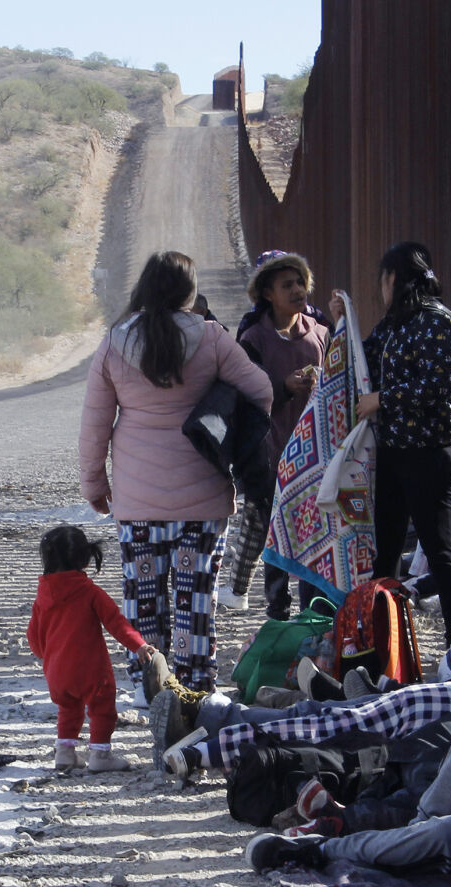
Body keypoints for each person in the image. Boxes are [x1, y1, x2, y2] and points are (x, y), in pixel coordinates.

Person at [80, 251, 273, 695]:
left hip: (138, 500)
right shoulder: (212, 338)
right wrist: (220, 418)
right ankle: (196, 689)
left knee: (144, 601)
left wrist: (95, 484)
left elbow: (94, 425)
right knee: (195, 601)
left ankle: (154, 690)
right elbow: (261, 390)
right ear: (189, 291)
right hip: (203, 499)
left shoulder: (115, 342)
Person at [357, 243, 451, 641]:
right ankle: (383, 643)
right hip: (394, 453)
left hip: (430, 454)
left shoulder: (435, 321)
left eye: (384, 279)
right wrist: (342, 324)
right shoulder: (393, 324)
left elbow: (437, 386)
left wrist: (382, 400)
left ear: (395, 278)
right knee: (385, 554)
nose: (381, 288)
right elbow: (363, 356)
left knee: (439, 549)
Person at [223, 250, 330, 618]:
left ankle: (313, 610)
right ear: (267, 293)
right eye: (288, 285)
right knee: (278, 534)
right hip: (273, 454)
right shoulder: (254, 338)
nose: (298, 290)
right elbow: (244, 388)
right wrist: (282, 386)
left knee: (313, 532)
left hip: (318, 454)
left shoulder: (321, 333)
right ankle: (277, 609)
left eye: (300, 282)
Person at [26, 524, 155, 773]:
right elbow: (116, 623)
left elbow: (34, 636)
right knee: (102, 709)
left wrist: (48, 657)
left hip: (56, 671)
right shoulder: (89, 592)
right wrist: (138, 645)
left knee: (68, 708)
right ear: (85, 560)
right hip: (91, 669)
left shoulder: (42, 595)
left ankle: (64, 754)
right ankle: (100, 754)